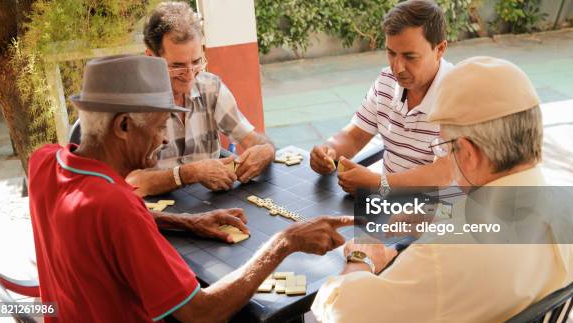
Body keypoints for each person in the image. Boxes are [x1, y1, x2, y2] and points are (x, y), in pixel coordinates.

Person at [28, 55, 353, 322]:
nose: (165, 139)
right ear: (123, 126)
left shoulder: (43, 162)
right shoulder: (115, 207)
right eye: (158, 127)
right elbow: (201, 312)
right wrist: (285, 241)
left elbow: (99, 227)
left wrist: (186, 221)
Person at [310, 56, 573, 322]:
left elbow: (342, 313)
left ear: (469, 154)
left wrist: (362, 259)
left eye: (446, 146)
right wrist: (443, 214)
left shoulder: (440, 257)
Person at [126, 1, 275, 197]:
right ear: (151, 58)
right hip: (157, 215)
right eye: (177, 66)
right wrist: (190, 173)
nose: (190, 75)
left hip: (209, 207)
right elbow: (129, 183)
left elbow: (253, 139)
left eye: (196, 62)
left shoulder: (210, 88)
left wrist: (266, 150)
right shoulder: (132, 105)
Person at [310, 0, 454, 195]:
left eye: (410, 57)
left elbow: (443, 175)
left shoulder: (458, 95)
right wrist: (329, 151)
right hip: (390, 205)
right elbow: (354, 136)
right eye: (391, 53)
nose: (397, 67)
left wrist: (380, 184)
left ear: (440, 49)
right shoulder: (387, 80)